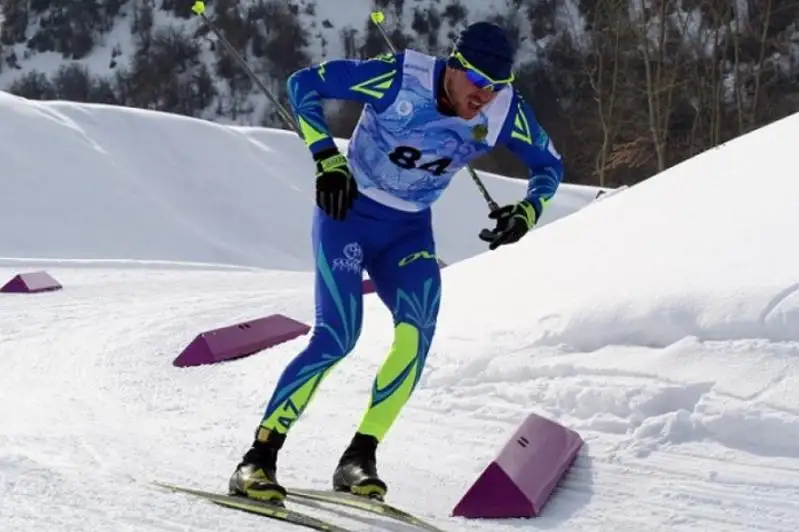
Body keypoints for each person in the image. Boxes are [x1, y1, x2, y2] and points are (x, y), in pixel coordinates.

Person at [228, 20, 565, 504]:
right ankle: (257, 459)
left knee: (416, 334)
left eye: (496, 87)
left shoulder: (504, 111)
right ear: (453, 67)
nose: (484, 97)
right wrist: (327, 157)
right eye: (476, 82)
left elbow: (550, 165)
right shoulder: (398, 77)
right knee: (338, 336)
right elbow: (304, 83)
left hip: (408, 231)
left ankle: (359, 456)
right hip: (347, 212)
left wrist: (527, 211)